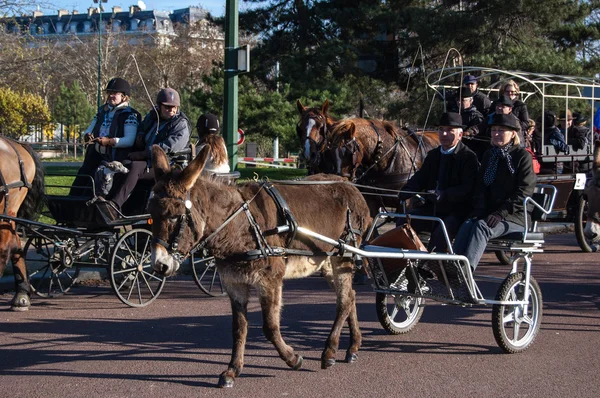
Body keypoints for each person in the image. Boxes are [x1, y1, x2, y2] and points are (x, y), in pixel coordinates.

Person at [453, 113, 536, 272]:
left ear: (513, 134)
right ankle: (453, 270)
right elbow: (481, 186)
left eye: (501, 130)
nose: (496, 134)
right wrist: (478, 210)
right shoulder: (489, 155)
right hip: (490, 213)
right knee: (467, 224)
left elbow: (524, 191)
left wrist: (501, 212)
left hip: (515, 216)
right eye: (493, 130)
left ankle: (466, 273)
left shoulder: (522, 157)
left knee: (481, 227)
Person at [397, 112, 479, 253]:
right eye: (441, 129)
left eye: (449, 130)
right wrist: (407, 189)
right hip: (432, 208)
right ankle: (402, 261)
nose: (444, 134)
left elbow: (469, 188)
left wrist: (445, 194)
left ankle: (432, 265)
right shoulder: (433, 155)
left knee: (442, 230)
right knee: (404, 222)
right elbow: (421, 177)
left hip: (457, 212)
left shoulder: (468, 157)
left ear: (460, 135)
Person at [106, 87, 191, 211]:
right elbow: (142, 127)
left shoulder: (180, 124)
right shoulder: (152, 117)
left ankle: (115, 205)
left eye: (174, 107)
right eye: (167, 107)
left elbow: (171, 146)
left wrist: (145, 153)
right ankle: (114, 202)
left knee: (135, 167)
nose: (171, 110)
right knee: (123, 165)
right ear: (159, 106)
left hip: (166, 166)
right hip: (147, 161)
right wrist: (140, 134)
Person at [69, 77, 141, 196]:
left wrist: (109, 141)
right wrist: (87, 135)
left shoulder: (130, 115)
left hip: (116, 159)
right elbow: (90, 128)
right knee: (81, 178)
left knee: (91, 187)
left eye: (115, 93)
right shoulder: (103, 111)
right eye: (109, 93)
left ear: (124, 96)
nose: (111, 96)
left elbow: (129, 141)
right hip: (96, 155)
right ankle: (70, 203)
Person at [472, 95, 520, 160]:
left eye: (503, 106)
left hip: (510, 152)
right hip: (490, 149)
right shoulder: (491, 117)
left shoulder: (515, 121)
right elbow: (480, 127)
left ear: (510, 109)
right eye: (498, 106)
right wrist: (470, 131)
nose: (499, 108)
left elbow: (520, 140)